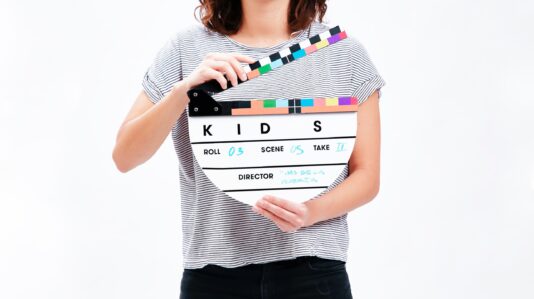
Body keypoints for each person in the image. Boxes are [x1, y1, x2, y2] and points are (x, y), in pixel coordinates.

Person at [112, 0, 386, 298]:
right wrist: (182, 92)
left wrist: (309, 212)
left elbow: (367, 177)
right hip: (212, 272)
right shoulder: (185, 49)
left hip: (312, 266)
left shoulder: (342, 52)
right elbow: (125, 156)